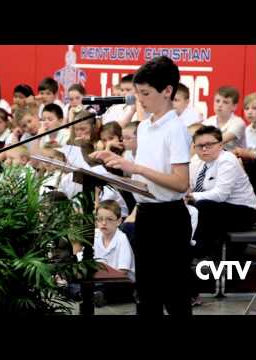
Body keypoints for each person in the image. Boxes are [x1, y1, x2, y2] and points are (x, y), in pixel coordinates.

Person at [90, 56, 193, 315]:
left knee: (175, 295)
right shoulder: (144, 128)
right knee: (146, 295)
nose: (140, 100)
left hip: (170, 217)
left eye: (145, 93)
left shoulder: (176, 129)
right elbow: (143, 182)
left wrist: (136, 168)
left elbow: (181, 183)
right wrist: (114, 170)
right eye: (138, 93)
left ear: (167, 91)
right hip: (145, 214)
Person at [187, 125, 256, 260]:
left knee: (203, 207)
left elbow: (220, 195)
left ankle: (199, 252)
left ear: (220, 145)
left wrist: (190, 196)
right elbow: (187, 186)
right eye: (199, 146)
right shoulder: (197, 161)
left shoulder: (227, 160)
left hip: (244, 212)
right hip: (219, 208)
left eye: (209, 145)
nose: (204, 149)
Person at [203, 86, 246, 151]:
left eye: (225, 102)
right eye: (217, 101)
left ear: (234, 106)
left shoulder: (239, 123)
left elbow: (220, 141)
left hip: (235, 159)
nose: (220, 105)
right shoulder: (207, 122)